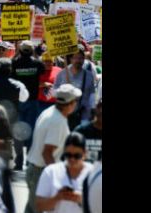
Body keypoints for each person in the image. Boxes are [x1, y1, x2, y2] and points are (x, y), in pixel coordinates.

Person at [25, 83, 82, 213]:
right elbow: (47, 153)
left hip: (35, 170)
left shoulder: (50, 112)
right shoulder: (58, 121)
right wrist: (58, 177)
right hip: (41, 172)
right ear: (70, 103)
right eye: (75, 101)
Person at [35, 133, 93, 213]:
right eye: (68, 155)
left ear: (85, 154)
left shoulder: (93, 173)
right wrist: (57, 197)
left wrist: (81, 199)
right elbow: (39, 206)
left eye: (77, 156)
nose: (72, 159)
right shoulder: (51, 171)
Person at [11, 40, 46, 169]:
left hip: (19, 101)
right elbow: (43, 70)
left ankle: (18, 161)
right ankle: (30, 161)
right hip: (32, 101)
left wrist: (15, 54)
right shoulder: (37, 63)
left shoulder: (14, 62)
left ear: (20, 50)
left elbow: (10, 70)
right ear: (32, 50)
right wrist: (36, 55)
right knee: (31, 130)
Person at [54, 50, 97, 129]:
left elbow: (92, 95)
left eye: (80, 58)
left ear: (84, 60)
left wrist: (93, 110)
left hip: (84, 115)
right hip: (65, 114)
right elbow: (54, 92)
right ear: (71, 59)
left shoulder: (89, 75)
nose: (78, 60)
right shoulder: (62, 74)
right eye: (75, 58)